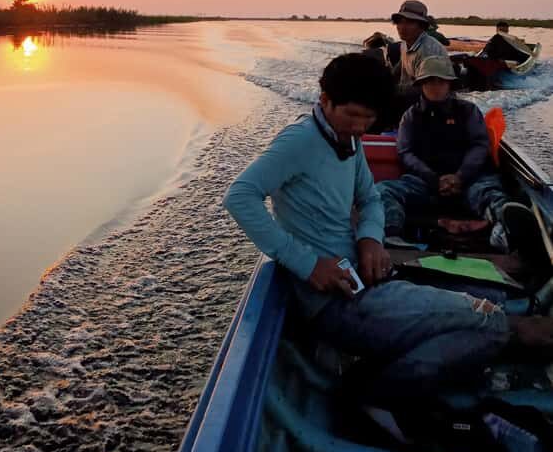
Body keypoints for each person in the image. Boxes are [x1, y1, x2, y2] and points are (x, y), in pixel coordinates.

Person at [223, 53, 553, 421]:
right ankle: (370, 393)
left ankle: (384, 372)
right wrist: (309, 264)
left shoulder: (347, 141)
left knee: (482, 309)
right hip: (336, 301)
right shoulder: (298, 143)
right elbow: (240, 196)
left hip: (368, 274)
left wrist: (370, 240)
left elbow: (369, 198)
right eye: (352, 115)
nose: (361, 127)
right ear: (324, 100)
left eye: (369, 119)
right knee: (488, 327)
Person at [378, 56, 534, 251]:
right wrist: (433, 179)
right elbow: (405, 152)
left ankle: (503, 232)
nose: (435, 86)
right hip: (427, 184)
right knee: (384, 191)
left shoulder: (468, 111)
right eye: (429, 81)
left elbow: (479, 146)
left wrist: (460, 176)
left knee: (491, 194)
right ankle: (392, 235)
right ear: (421, 84)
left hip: (470, 181)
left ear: (450, 84)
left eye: (440, 81)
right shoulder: (410, 116)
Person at [391, 0, 448, 89]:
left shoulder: (429, 51)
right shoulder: (405, 43)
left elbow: (427, 90)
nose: (402, 27)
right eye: (400, 22)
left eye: (409, 22)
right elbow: (400, 68)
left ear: (422, 26)